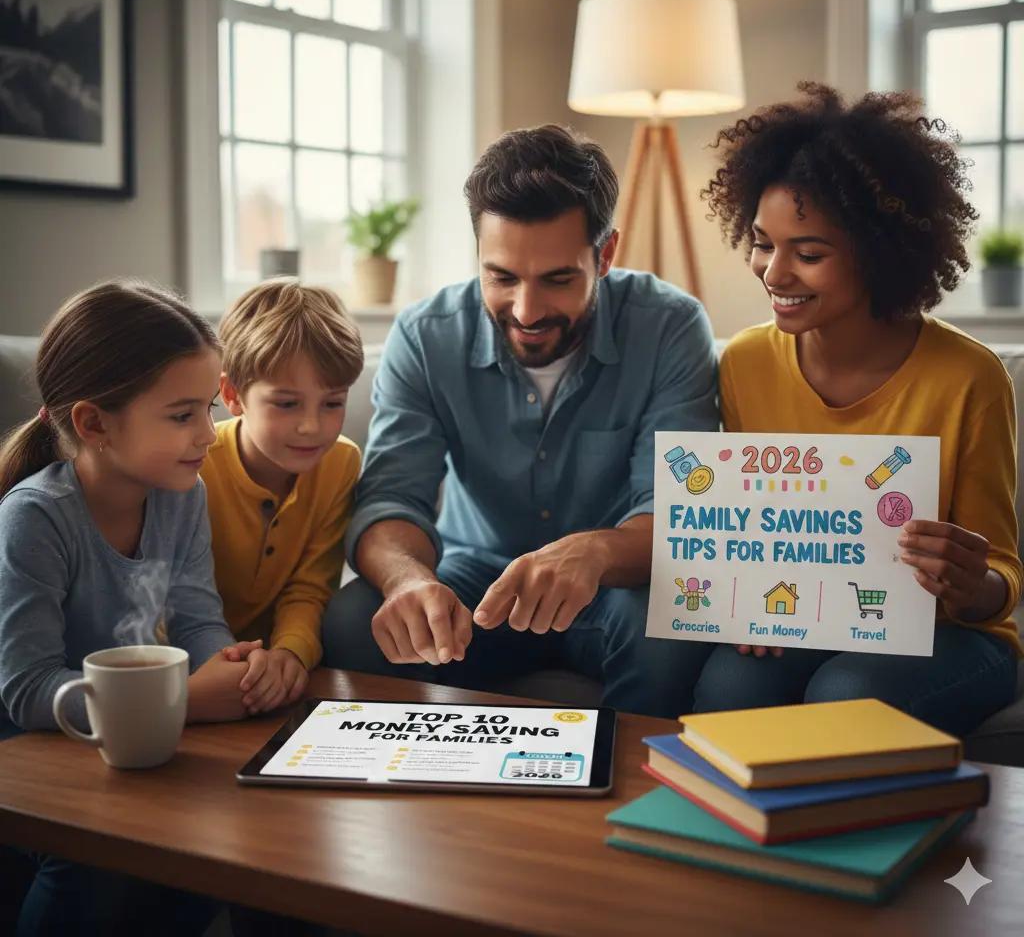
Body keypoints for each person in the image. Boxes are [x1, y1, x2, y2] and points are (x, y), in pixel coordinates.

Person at [321, 124, 720, 718]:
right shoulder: (425, 336)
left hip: (616, 589)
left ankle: (633, 799)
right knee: (357, 622)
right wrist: (407, 579)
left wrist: (593, 552)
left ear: (605, 254)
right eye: (502, 277)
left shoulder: (670, 328)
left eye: (558, 279)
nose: (527, 311)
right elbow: (391, 498)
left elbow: (675, 511)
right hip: (476, 580)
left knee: (667, 626)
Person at [692, 82, 1021, 735]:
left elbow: (1001, 580)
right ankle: (728, 839)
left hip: (954, 635)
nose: (773, 273)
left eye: (808, 254)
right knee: (731, 684)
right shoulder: (744, 363)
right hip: (814, 616)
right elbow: (748, 530)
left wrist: (968, 578)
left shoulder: (968, 378)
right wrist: (747, 606)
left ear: (880, 254)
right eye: (762, 243)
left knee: (849, 692)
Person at [0, 279, 283, 937]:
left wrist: (235, 665)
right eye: (183, 415)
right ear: (94, 423)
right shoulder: (34, 520)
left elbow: (197, 617)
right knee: (92, 861)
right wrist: (179, 700)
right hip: (32, 752)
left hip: (127, 748)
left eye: (209, 409)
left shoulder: (181, 494)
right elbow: (25, 690)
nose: (210, 435)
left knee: (238, 829)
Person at [201, 280, 363, 712]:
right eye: (287, 404)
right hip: (188, 660)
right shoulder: (193, 463)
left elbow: (311, 587)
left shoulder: (341, 463)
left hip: (274, 666)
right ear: (233, 396)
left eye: (332, 404)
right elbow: (165, 592)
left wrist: (290, 654)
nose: (312, 426)